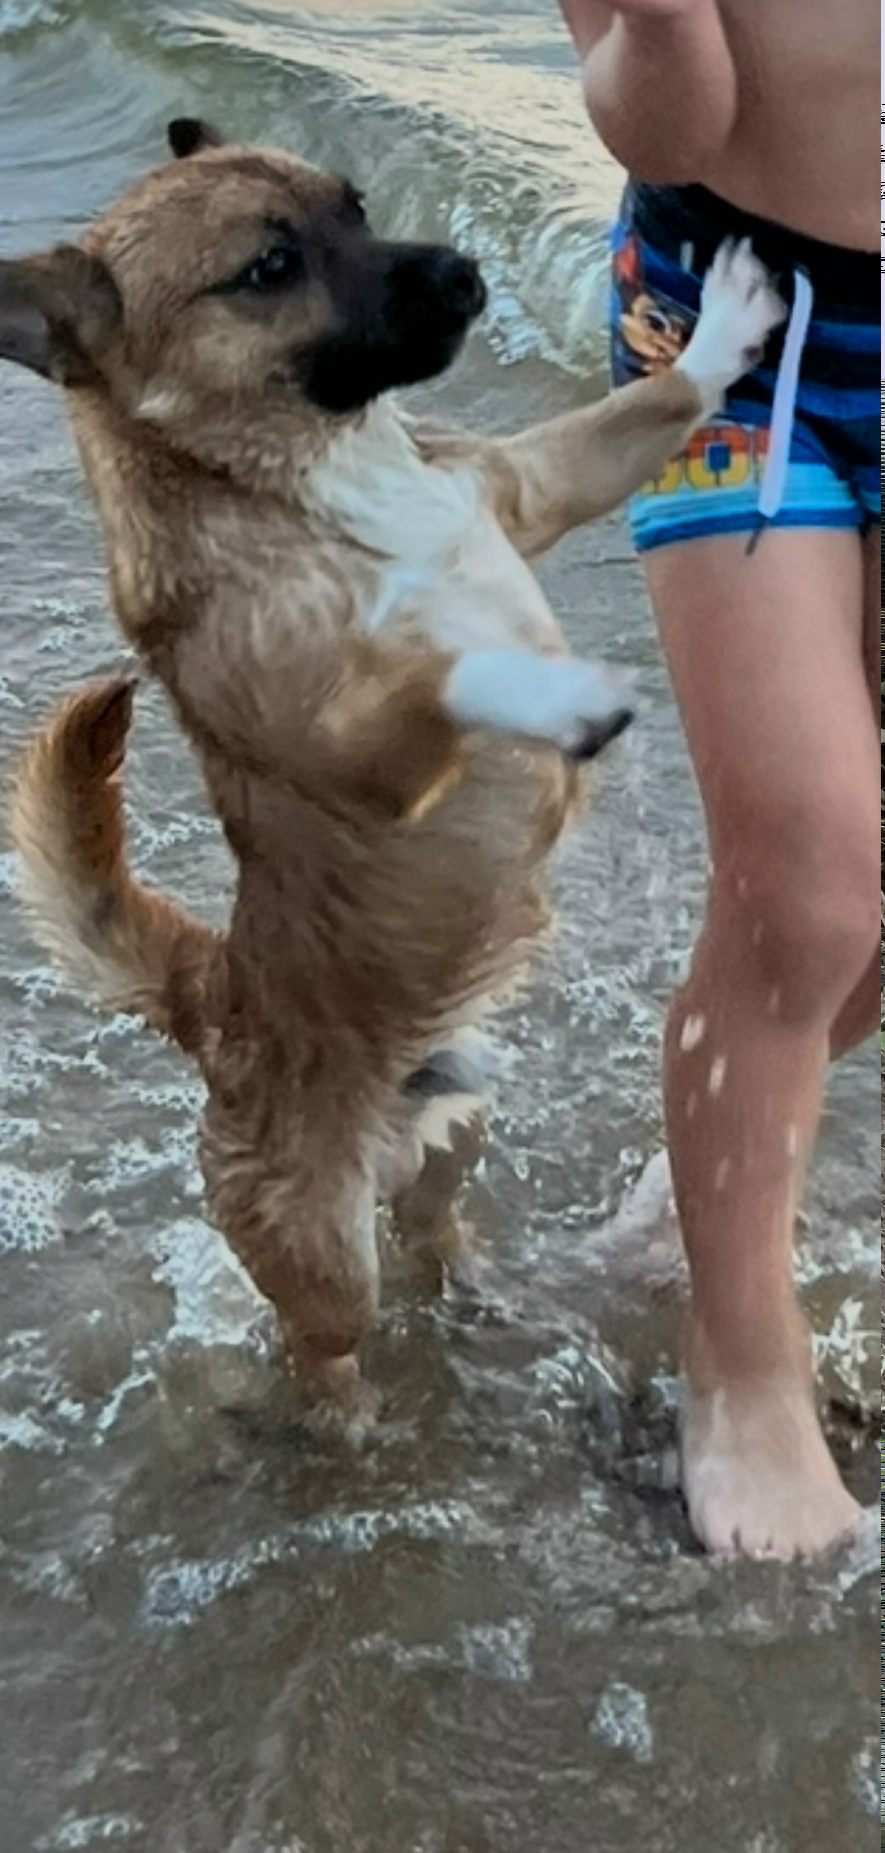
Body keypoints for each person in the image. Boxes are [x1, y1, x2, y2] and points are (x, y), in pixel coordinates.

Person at [555, 0, 879, 1558]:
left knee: (869, 912)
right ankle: (742, 1360)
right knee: (812, 887)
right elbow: (658, 122)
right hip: (741, 318)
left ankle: (701, 1182)